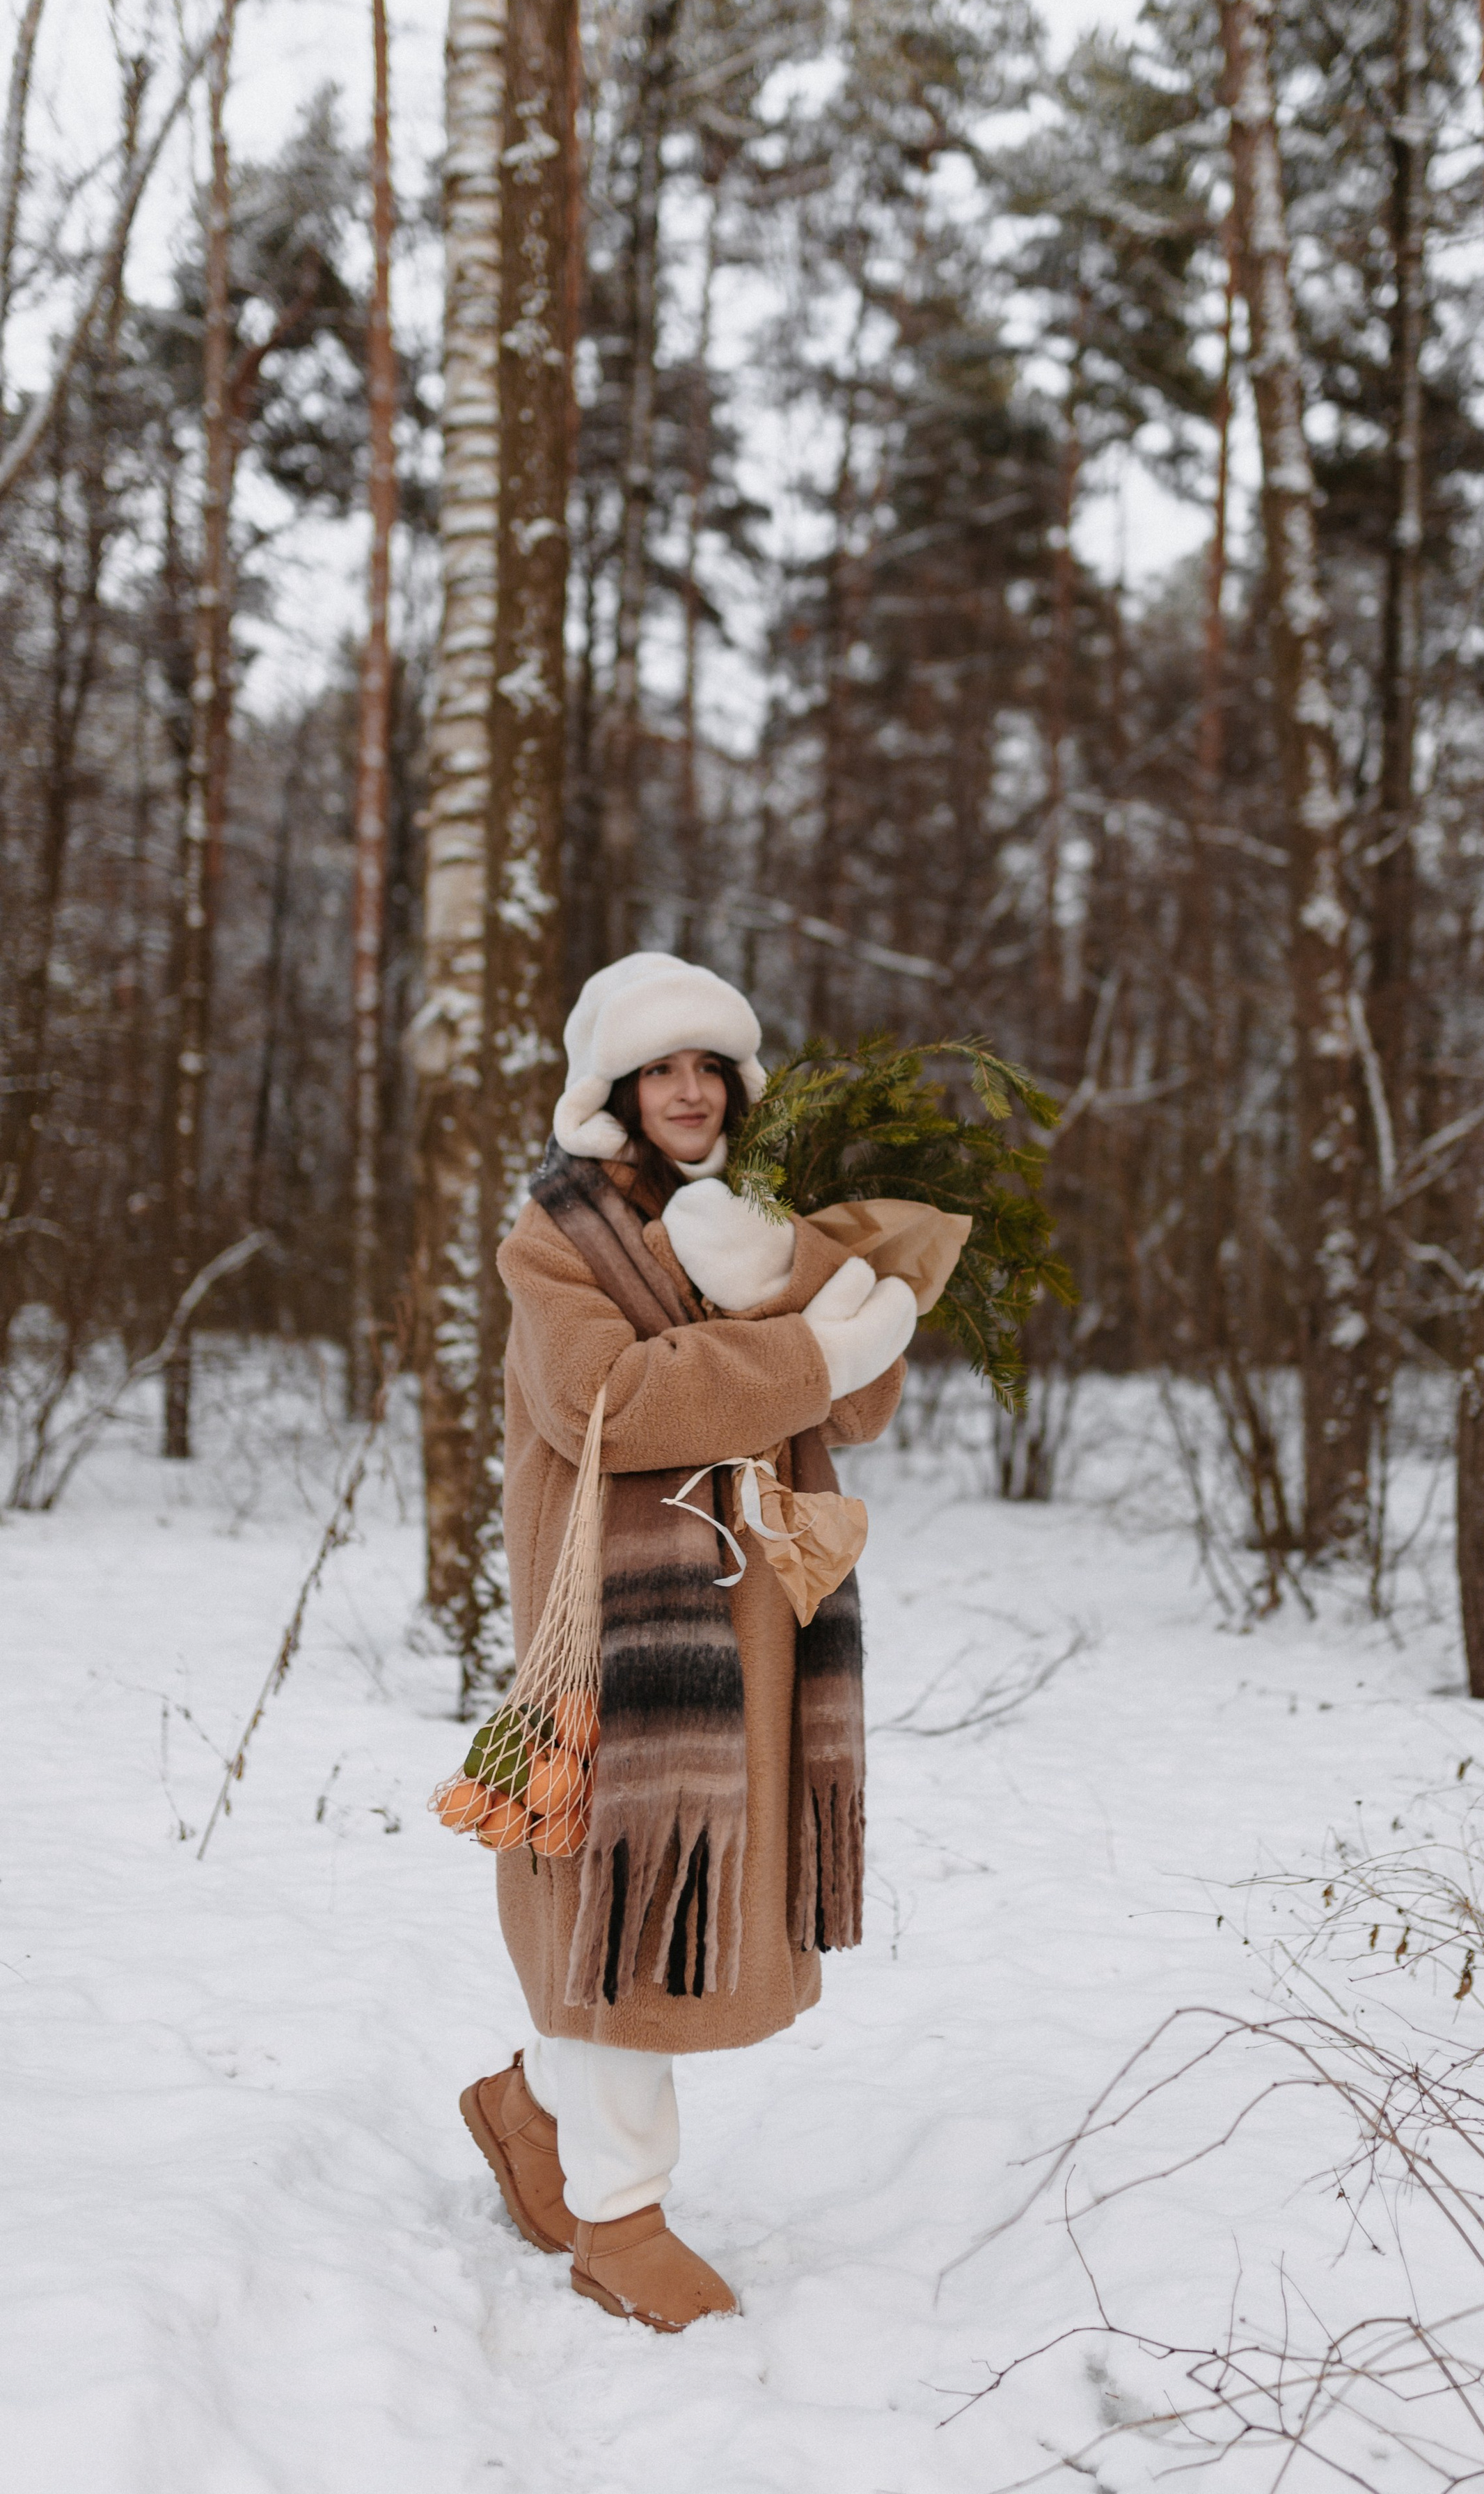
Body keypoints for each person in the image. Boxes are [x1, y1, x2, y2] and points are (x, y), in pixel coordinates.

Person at [457, 953, 916, 2331]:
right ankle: (620, 2219)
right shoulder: (556, 1240)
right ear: (613, 1091)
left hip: (754, 1621)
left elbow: (862, 1407)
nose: (688, 1092)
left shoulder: (769, 1228)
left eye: (709, 1068)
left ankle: (528, 2110)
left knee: (663, 1902)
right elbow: (613, 1401)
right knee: (626, 1905)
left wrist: (850, 1323)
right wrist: (805, 1359)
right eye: (661, 1069)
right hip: (618, 1627)